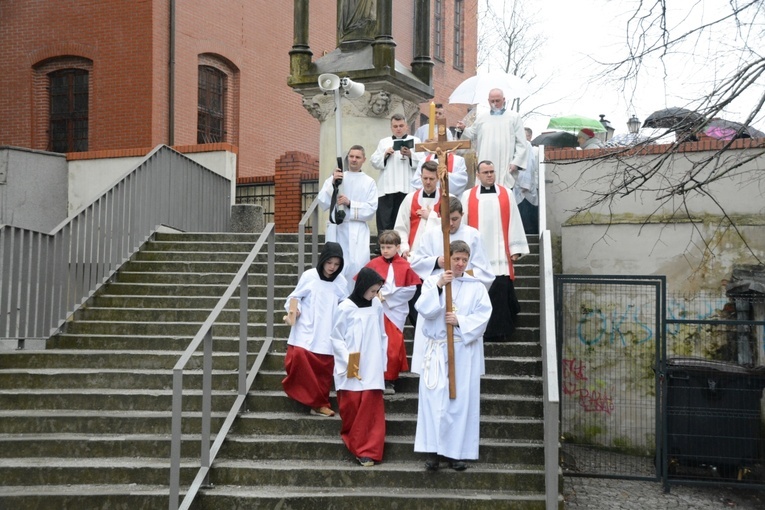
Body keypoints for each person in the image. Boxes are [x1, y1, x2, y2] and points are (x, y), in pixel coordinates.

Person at [413, 240, 492, 471]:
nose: (460, 264)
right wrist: (439, 285)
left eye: (464, 260)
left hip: (462, 350)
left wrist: (460, 321)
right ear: (447, 259)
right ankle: (434, 451)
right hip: (438, 348)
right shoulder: (431, 281)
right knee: (434, 401)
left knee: (457, 404)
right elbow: (424, 309)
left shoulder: (475, 286)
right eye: (456, 259)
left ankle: (455, 453)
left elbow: (483, 316)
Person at [461, 160, 529, 342]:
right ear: (478, 175)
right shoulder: (468, 196)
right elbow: (463, 224)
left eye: (492, 171)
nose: (490, 175)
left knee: (500, 293)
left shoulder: (506, 193)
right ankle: (480, 330)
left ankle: (501, 331)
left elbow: (514, 219)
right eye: (486, 172)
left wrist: (515, 248)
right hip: (477, 256)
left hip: (500, 255)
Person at [282, 242, 348, 417]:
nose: (332, 267)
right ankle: (305, 395)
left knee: (323, 369)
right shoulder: (309, 276)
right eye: (329, 263)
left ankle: (319, 403)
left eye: (336, 264)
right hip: (307, 325)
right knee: (299, 357)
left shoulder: (341, 282)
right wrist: (295, 310)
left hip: (328, 328)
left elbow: (345, 305)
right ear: (322, 260)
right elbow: (295, 296)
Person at [330, 267, 388, 467]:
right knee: (352, 405)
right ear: (362, 286)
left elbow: (382, 334)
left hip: (372, 362)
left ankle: (369, 450)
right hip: (351, 363)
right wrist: (347, 360)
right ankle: (355, 443)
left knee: (371, 409)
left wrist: (383, 361)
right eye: (372, 291)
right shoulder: (345, 307)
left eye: (377, 291)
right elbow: (336, 337)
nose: (375, 295)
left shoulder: (376, 305)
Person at [364, 230, 421, 394]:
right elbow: (363, 283)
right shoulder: (374, 264)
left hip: (395, 311)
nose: (385, 250)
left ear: (397, 247)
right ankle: (375, 376)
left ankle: (390, 379)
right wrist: (375, 296)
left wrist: (386, 297)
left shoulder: (405, 266)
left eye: (389, 247)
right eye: (382, 247)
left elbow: (410, 290)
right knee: (374, 343)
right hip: (376, 309)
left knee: (393, 346)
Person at [317, 144, 378, 292]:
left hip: (357, 229)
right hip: (339, 228)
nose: (354, 160)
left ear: (363, 159)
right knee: (337, 265)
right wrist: (333, 183)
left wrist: (350, 203)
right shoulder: (338, 177)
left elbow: (371, 209)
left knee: (357, 265)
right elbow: (322, 202)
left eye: (357, 157)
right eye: (351, 156)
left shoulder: (369, 182)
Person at [408, 196, 494, 288]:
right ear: (439, 215)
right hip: (438, 289)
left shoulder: (474, 235)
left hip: (464, 288)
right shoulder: (429, 235)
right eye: (446, 219)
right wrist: (437, 262)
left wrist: (461, 274)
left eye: (455, 219)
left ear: (462, 215)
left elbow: (484, 271)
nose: (451, 223)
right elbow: (417, 263)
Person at [455, 88, 527, 189]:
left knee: (502, 194)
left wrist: (516, 162)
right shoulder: (482, 117)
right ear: (488, 101)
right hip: (486, 159)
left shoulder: (514, 117)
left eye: (498, 101)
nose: (495, 104)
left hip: (505, 164)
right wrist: (463, 129)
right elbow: (471, 134)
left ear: (504, 100)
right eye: (492, 101)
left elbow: (521, 143)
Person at [370, 113, 422, 233]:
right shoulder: (384, 142)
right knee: (385, 220)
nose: (398, 129)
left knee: (403, 220)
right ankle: (384, 246)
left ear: (406, 126)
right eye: (395, 126)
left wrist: (410, 155)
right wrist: (385, 154)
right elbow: (374, 161)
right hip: (387, 188)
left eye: (401, 125)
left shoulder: (415, 140)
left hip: (407, 187)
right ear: (391, 128)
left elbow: (423, 161)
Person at [394, 160, 445, 259]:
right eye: (425, 178)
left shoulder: (447, 199)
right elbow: (401, 227)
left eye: (432, 178)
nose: (428, 182)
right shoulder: (410, 198)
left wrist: (431, 217)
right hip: (413, 252)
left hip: (439, 253)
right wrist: (404, 248)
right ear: (420, 177)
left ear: (438, 178)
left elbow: (452, 225)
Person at [512, 127, 539, 235]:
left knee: (526, 215)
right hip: (517, 183)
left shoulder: (527, 146)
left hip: (525, 186)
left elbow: (529, 164)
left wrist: (525, 184)